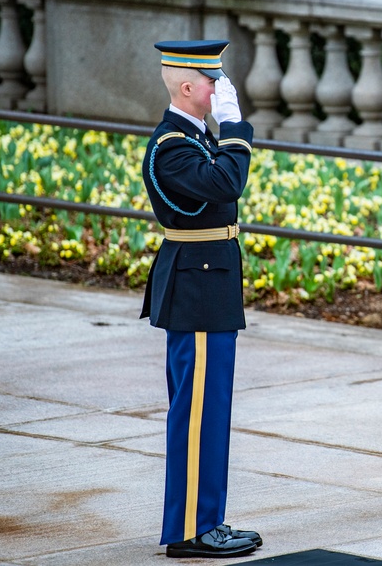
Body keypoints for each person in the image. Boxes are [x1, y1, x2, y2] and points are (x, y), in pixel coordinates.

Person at [140, 40, 262, 558]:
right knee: (197, 415)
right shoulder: (173, 146)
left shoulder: (193, 138)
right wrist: (235, 128)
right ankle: (191, 529)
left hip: (205, 284)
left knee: (209, 413)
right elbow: (228, 183)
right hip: (196, 289)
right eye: (213, 82)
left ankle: (205, 519)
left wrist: (225, 130)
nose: (221, 89)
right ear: (188, 88)